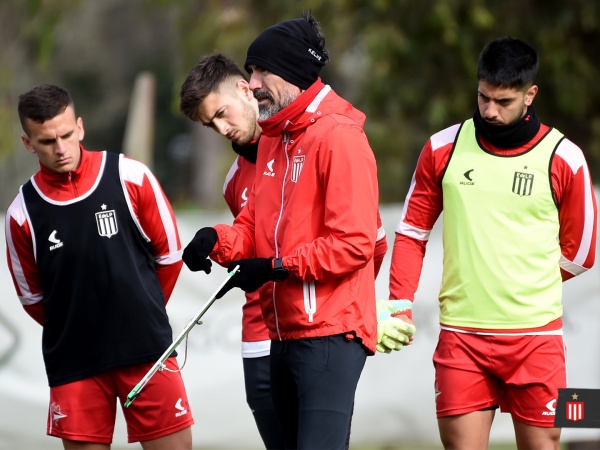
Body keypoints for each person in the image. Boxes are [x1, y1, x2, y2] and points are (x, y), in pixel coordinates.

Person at [181, 14, 412, 450]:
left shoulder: (339, 137)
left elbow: (356, 244)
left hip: (330, 334)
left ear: (287, 71)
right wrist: (218, 240)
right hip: (283, 332)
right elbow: (255, 225)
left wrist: (275, 267)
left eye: (257, 72)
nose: (252, 83)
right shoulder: (275, 138)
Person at [388, 36, 597, 449]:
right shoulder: (442, 148)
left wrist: (520, 281)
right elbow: (412, 230)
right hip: (462, 339)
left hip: (536, 340)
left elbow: (583, 253)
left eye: (503, 101)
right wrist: (400, 303)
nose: (489, 110)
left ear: (530, 94)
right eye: (483, 97)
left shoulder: (565, 157)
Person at [5, 84, 193, 450]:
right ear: (28, 143)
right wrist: (82, 325)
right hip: (75, 362)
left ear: (81, 127)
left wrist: (139, 311)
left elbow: (170, 257)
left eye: (66, 135)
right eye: (46, 141)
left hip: (146, 350)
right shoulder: (21, 213)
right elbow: (32, 299)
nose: (60, 149)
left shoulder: (130, 176)